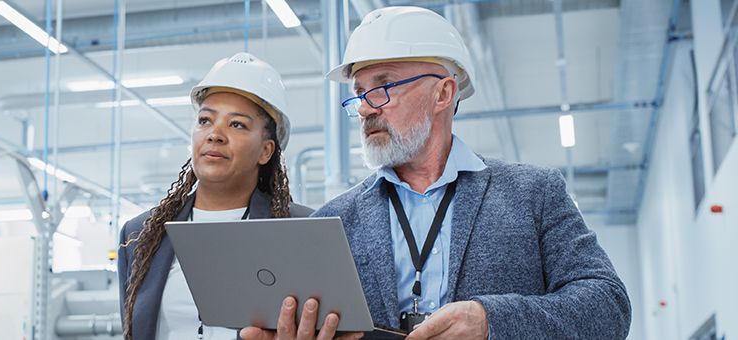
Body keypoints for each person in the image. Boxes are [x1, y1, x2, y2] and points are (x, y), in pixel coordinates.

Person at [239, 6, 631, 340]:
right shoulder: (334, 219)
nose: (364, 108)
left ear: (443, 94)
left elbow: (608, 304)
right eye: (359, 92)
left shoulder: (533, 194)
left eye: (384, 86)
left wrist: (491, 321)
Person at [116, 52, 313, 340]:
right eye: (205, 120)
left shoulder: (303, 228)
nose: (214, 134)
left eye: (237, 124)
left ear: (265, 150)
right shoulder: (141, 234)